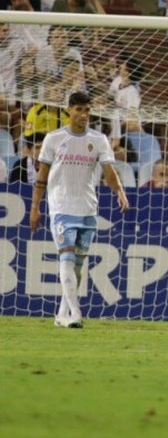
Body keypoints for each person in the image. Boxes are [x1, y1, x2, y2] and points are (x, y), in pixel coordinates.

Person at [28, 91, 130, 328]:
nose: (84, 115)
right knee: (66, 257)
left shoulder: (100, 139)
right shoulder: (53, 139)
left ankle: (62, 315)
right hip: (61, 207)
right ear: (69, 110)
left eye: (87, 110)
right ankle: (75, 313)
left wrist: (120, 192)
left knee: (78, 266)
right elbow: (41, 177)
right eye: (79, 110)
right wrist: (35, 207)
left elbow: (109, 172)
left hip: (87, 209)